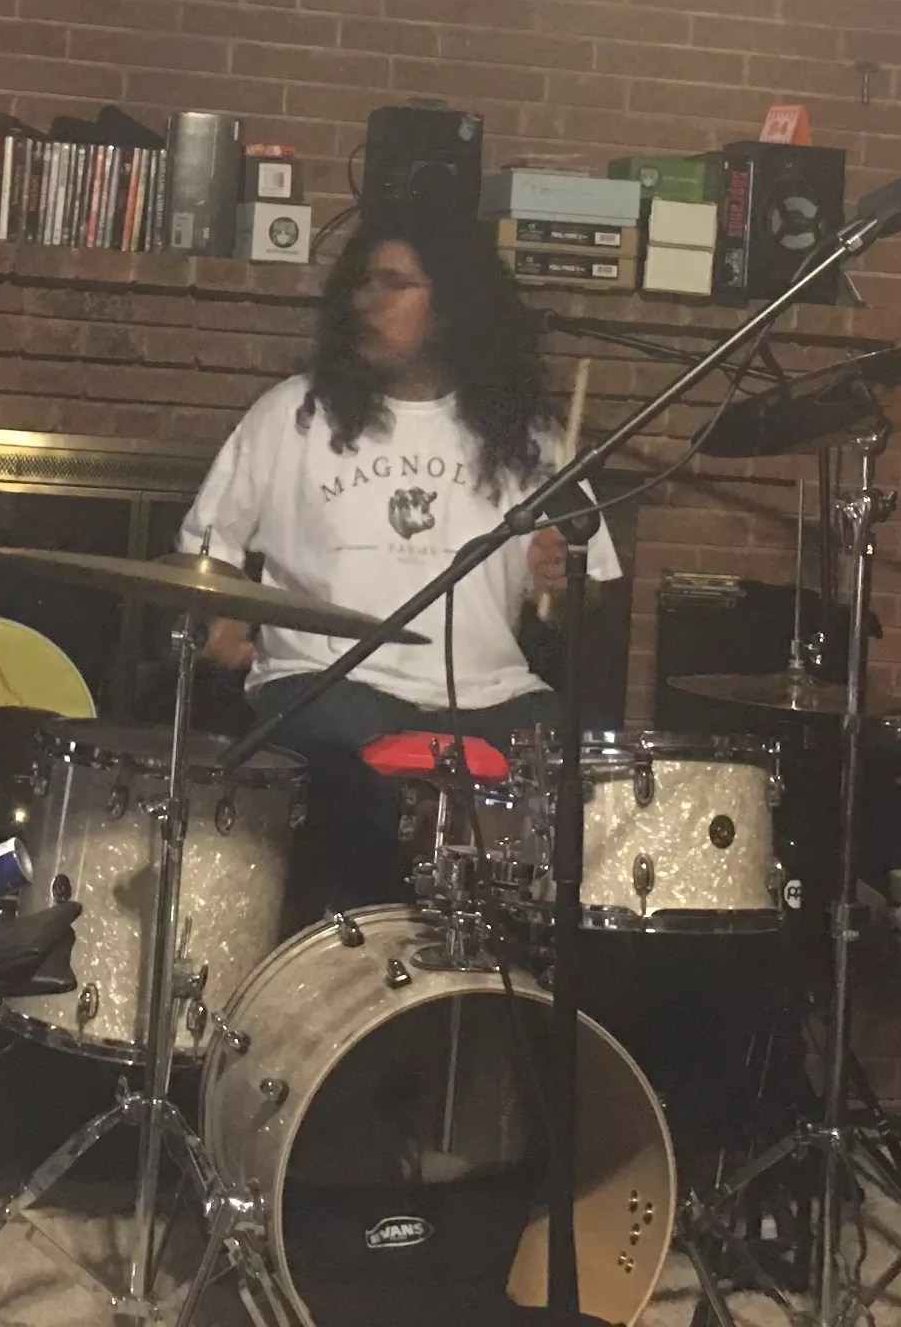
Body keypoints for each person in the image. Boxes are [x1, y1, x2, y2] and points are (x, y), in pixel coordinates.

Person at [182, 200, 619, 914]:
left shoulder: (530, 436)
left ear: (453, 306)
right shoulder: (294, 414)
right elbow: (209, 548)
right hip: (328, 683)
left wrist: (562, 580)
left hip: (491, 695)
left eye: (392, 284)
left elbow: (587, 587)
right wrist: (221, 616)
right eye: (361, 282)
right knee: (355, 773)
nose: (366, 300)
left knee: (589, 786)